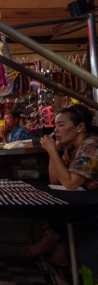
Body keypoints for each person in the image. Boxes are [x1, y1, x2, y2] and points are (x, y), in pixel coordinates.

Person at [22, 104, 98, 266]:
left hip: (94, 202)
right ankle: (59, 249)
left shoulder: (91, 145)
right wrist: (54, 151)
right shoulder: (72, 147)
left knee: (60, 206)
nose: (55, 130)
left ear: (80, 127)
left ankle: (53, 243)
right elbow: (55, 180)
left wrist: (51, 151)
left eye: (61, 125)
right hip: (88, 197)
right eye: (55, 125)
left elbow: (70, 183)